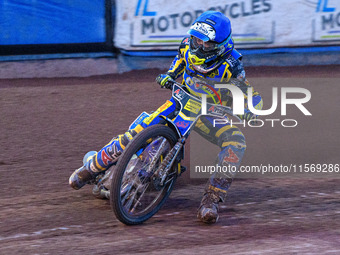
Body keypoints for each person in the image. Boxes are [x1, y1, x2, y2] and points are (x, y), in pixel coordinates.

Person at [69, 11, 263, 224]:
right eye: (195, 38)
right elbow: (180, 59)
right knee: (134, 134)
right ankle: (90, 168)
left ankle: (211, 200)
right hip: (180, 101)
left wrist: (251, 110)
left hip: (208, 112)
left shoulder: (232, 65)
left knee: (237, 143)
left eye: (203, 42)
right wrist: (170, 75)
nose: (197, 45)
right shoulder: (187, 45)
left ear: (219, 45)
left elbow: (248, 94)